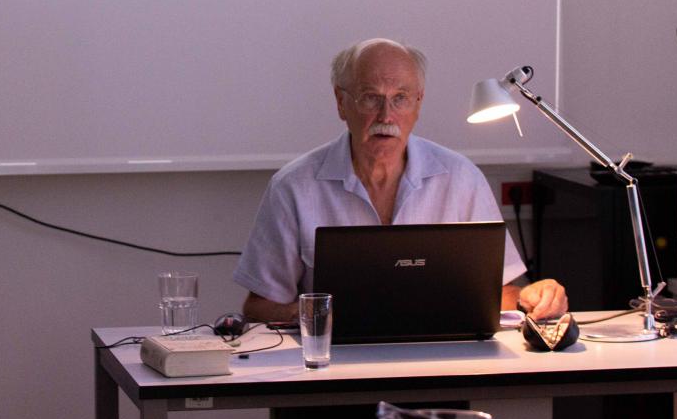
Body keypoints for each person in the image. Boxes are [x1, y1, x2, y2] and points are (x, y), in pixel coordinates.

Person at [234, 37, 567, 325]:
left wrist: (532, 297)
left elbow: (500, 292)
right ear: (341, 102)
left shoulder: (461, 178)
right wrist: (313, 316)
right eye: (370, 97)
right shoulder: (294, 187)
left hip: (441, 363)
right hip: (333, 364)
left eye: (400, 98)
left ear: (418, 103)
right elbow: (258, 307)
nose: (386, 115)